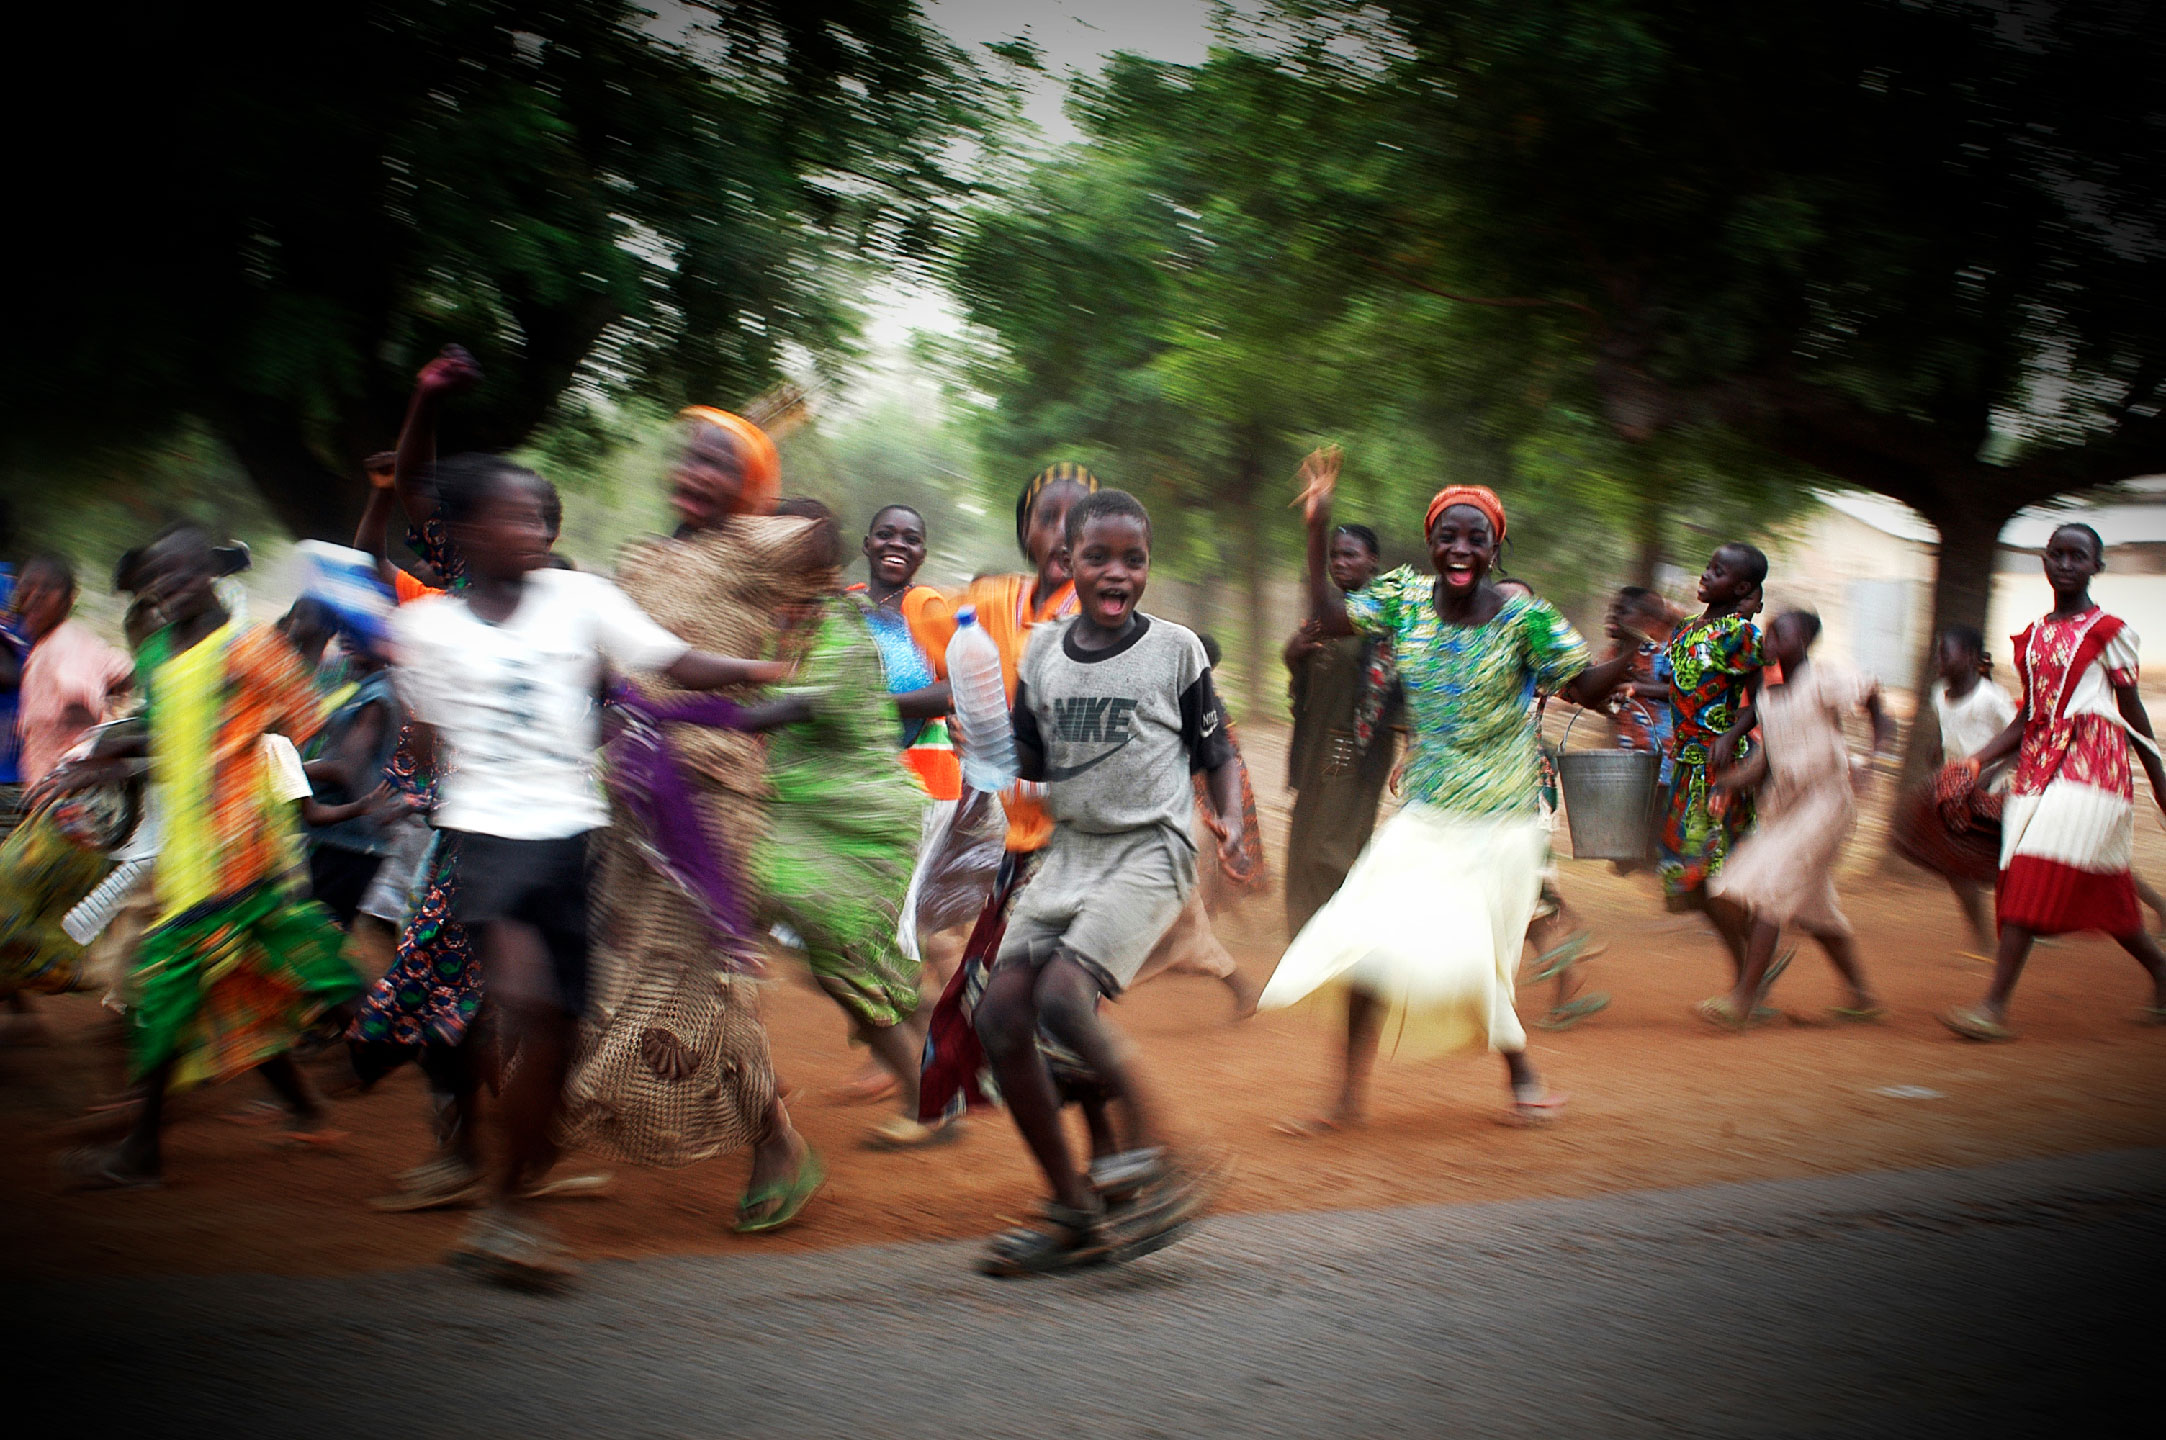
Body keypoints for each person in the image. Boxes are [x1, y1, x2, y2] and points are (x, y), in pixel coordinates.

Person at [395, 450, 794, 1283]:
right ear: (466, 532)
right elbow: (422, 743)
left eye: (540, 517)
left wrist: (757, 676)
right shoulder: (430, 629)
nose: (535, 531)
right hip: (489, 847)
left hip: (571, 843)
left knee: (561, 1027)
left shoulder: (578, 599)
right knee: (527, 1002)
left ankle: (509, 1204)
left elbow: (671, 660)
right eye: (513, 517)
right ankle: (502, 1208)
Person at [1260, 452, 1631, 1134]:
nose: (1460, 548)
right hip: (1426, 815)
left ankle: (1523, 1081)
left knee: (1469, 954)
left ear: (1494, 548)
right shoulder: (1404, 601)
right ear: (1431, 543)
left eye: (1475, 538)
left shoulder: (1526, 619)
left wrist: (1631, 656)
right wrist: (1317, 524)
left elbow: (1581, 687)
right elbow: (1326, 617)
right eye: (1447, 536)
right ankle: (1345, 1100)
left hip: (1503, 821)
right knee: (1363, 940)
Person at [560, 403, 824, 1238]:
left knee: (697, 981)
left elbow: (822, 544)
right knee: (619, 970)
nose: (694, 473)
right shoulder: (640, 559)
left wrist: (759, 458)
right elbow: (609, 672)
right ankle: (769, 1136)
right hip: (633, 795)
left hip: (713, 798)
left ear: (748, 487)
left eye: (718, 463)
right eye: (689, 457)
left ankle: (777, 1142)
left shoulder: (753, 552)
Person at [972, 487, 1244, 1276]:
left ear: (1148, 566)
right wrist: (980, 745)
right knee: (999, 1018)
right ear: (1070, 562)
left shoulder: (1176, 650)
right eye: (1098, 557)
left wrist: (1226, 815)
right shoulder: (1042, 653)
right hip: (1072, 853)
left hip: (1153, 848)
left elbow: (1217, 750)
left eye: (1134, 559)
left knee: (1063, 998)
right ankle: (1074, 1211)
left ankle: (1160, 1152)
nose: (1117, 572)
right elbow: (1029, 760)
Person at [57, 523, 362, 1188]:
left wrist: (284, 788)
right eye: (158, 577)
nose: (168, 587)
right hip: (192, 852)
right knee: (275, 977)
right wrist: (105, 759)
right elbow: (165, 737)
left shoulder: (251, 650)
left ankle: (141, 1151)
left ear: (213, 576)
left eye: (182, 572)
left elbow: (301, 727)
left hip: (241, 852)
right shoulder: (159, 652)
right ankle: (395, 1047)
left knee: (167, 983)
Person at [1941, 523, 2166, 1040]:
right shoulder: (2034, 637)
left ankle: (1993, 1008)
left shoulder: (2108, 631)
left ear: (2096, 566)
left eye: (2077, 556)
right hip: (2039, 770)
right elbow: (2028, 720)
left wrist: (2159, 781)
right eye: (2057, 554)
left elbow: (2132, 711)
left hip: (2094, 768)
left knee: (2029, 868)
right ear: (2044, 561)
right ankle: (2162, 972)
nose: (2065, 564)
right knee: (2107, 893)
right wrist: (1975, 762)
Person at [1700, 610, 1893, 1027]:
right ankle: (1862, 996)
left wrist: (1874, 760)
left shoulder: (1822, 678)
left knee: (1771, 890)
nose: (1769, 640)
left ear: (1804, 639)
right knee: (1810, 907)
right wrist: (1726, 782)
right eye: (1768, 633)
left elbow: (1873, 700)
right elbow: (1766, 763)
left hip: (1828, 803)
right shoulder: (1769, 700)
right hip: (1788, 811)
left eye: (1780, 633)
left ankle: (1743, 999)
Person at [1658, 544, 1769, 988]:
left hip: (1721, 774)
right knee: (1686, 884)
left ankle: (1751, 968)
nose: (1705, 575)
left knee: (1711, 878)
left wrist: (1730, 734)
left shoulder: (1741, 635)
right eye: (1708, 566)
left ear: (1741, 588)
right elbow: (1675, 687)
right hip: (1684, 769)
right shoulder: (1684, 629)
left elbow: (1761, 701)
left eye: (1718, 571)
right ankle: (1751, 965)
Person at [1281, 523, 1399, 937]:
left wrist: (1411, 747)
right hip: (1314, 748)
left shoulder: (1384, 619)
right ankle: (1302, 945)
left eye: (1351, 554)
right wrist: (1292, 656)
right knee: (1302, 847)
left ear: (1372, 561)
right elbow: (1306, 687)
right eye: (1334, 555)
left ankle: (1345, 941)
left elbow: (1400, 691)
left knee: (1331, 852)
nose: (1340, 563)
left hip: (1354, 753)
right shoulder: (1324, 616)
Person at [1892, 626, 2019, 954]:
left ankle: (2028, 926)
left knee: (2009, 867)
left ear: (1971, 658)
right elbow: (1948, 731)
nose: (1939, 660)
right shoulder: (1939, 694)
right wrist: (1939, 750)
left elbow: (2020, 740)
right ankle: (1984, 944)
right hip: (1957, 794)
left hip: (1994, 794)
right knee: (1957, 868)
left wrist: (1990, 773)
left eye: (1945, 653)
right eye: (1938, 654)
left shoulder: (1991, 698)